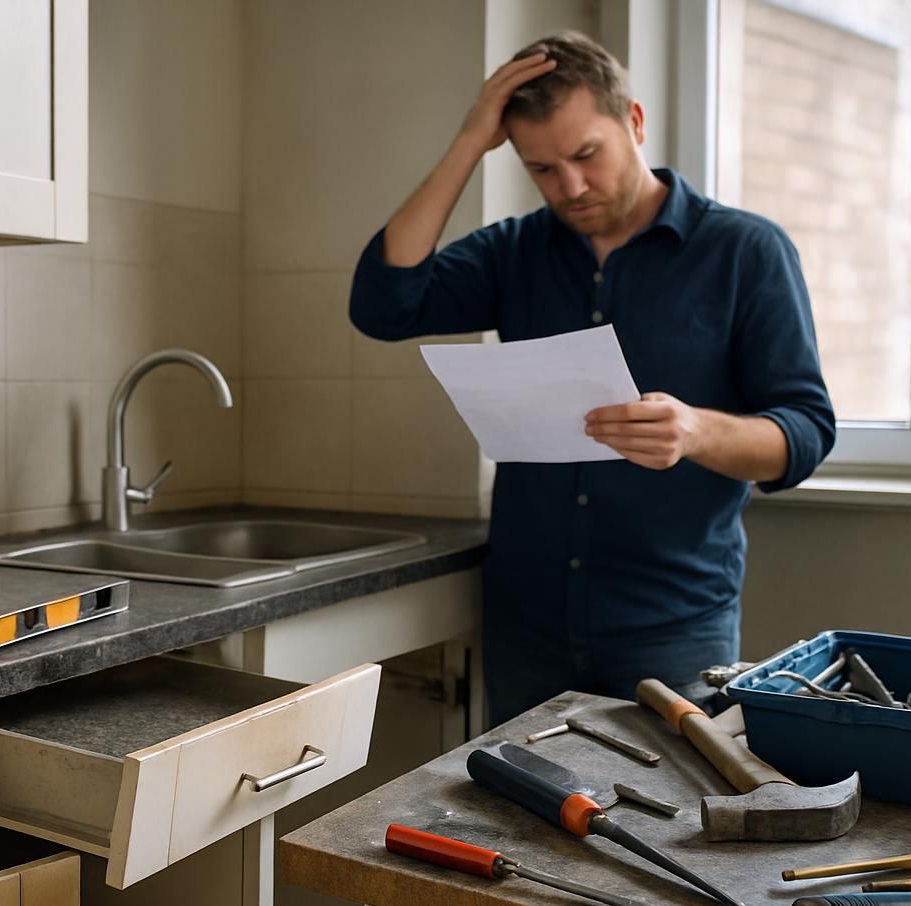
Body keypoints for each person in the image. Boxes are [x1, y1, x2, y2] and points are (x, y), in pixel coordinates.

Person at [349, 31, 835, 726]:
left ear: (634, 122)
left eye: (586, 156)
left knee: (664, 827)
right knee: (518, 824)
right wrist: (468, 142)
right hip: (525, 621)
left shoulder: (744, 251)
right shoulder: (515, 251)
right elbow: (382, 304)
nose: (570, 188)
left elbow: (807, 432)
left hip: (673, 625)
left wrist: (696, 430)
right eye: (541, 168)